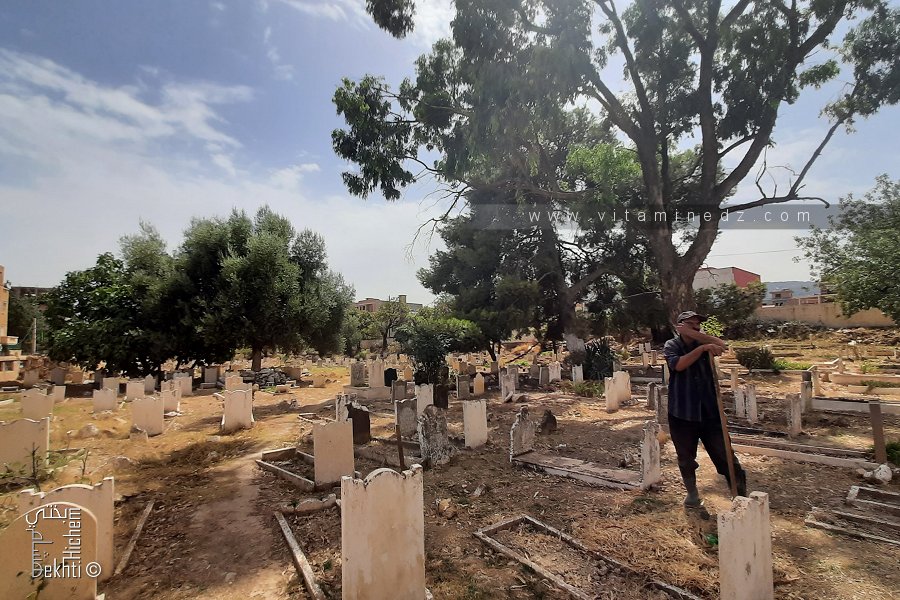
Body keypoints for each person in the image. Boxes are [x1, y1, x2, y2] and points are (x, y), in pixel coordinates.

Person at [663, 311, 747, 507]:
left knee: (725, 455)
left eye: (698, 324)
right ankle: (692, 495)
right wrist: (701, 349)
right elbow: (678, 365)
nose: (697, 327)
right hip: (682, 411)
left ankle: (740, 495)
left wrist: (700, 338)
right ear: (680, 326)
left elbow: (722, 345)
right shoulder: (672, 345)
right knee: (686, 458)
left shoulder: (704, 342)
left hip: (710, 411)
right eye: (691, 324)